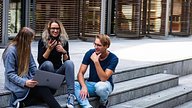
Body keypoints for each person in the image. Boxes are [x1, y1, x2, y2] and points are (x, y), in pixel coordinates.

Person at [3, 27, 62, 108]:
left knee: (51, 88)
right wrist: (25, 82)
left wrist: (39, 78)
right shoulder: (11, 51)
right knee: (44, 89)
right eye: (30, 40)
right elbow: (10, 74)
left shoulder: (26, 48)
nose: (31, 42)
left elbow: (33, 67)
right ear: (24, 40)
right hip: (18, 85)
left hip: (29, 81)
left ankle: (24, 103)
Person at [37, 19, 75, 108]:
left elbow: (66, 61)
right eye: (53, 28)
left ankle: (71, 96)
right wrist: (49, 49)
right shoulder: (42, 41)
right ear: (49, 29)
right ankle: (50, 91)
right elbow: (40, 61)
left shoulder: (63, 41)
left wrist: (64, 52)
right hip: (46, 72)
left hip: (57, 73)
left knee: (69, 63)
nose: (55, 31)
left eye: (57, 28)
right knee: (48, 64)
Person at [75, 34, 119, 108]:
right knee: (74, 85)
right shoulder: (90, 53)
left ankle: (103, 103)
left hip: (105, 85)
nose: (95, 47)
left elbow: (104, 79)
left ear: (106, 46)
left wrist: (96, 62)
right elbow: (80, 73)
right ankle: (87, 106)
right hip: (91, 84)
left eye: (99, 45)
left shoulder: (113, 58)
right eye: (95, 44)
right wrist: (84, 86)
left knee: (100, 87)